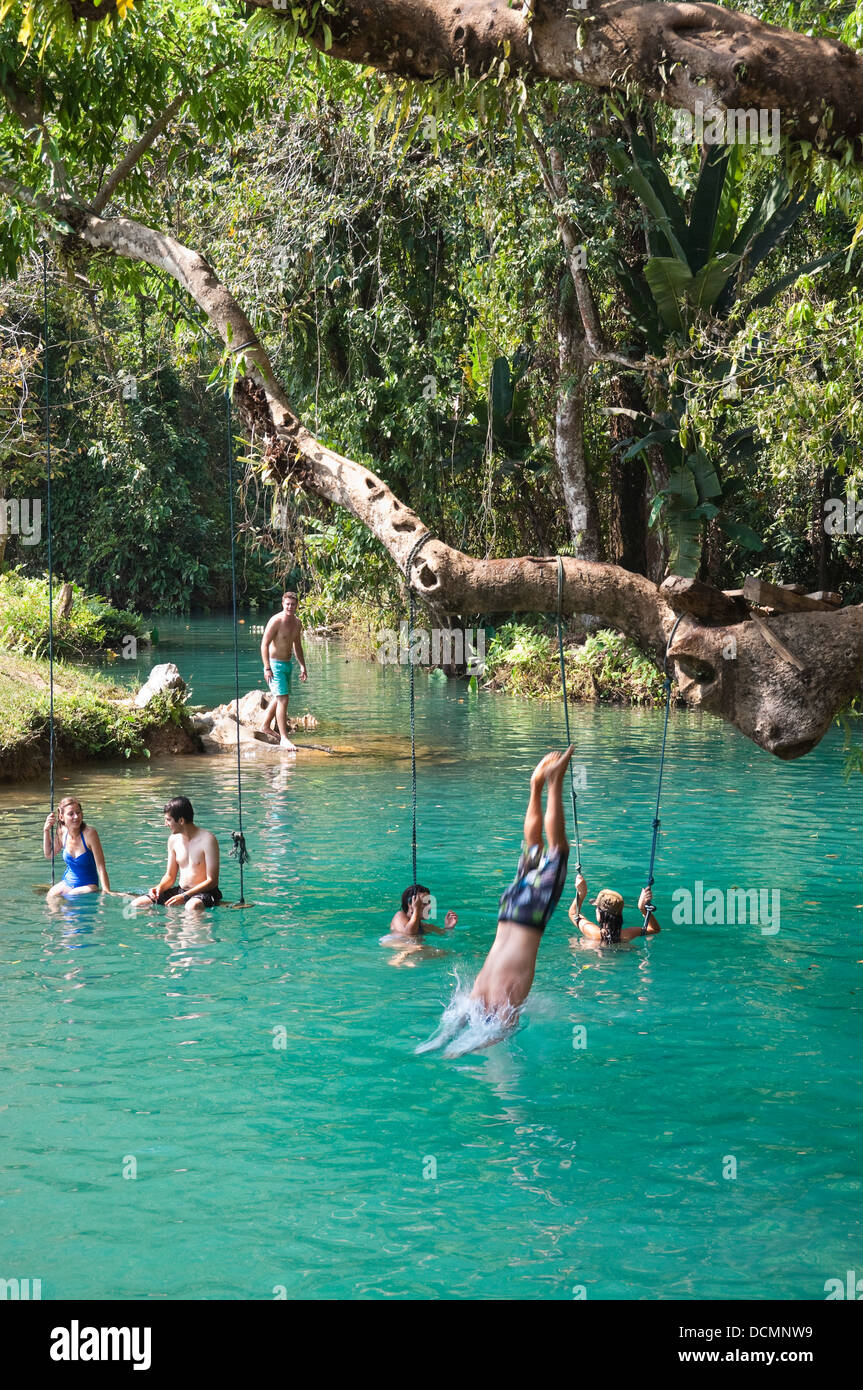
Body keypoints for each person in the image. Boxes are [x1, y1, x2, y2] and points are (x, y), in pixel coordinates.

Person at [470, 747, 574, 1015]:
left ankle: (554, 782)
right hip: (509, 910)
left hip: (528, 914)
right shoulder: (477, 994)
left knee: (558, 849)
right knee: (535, 847)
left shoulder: (497, 1001)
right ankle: (536, 784)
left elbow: (488, 1029)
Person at [130, 797, 222, 911]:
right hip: (181, 891)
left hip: (205, 892)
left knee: (191, 906)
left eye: (168, 820)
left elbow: (212, 881)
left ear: (181, 821)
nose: (165, 824)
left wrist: (185, 896)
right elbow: (170, 876)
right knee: (137, 904)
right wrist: (159, 887)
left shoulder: (208, 840)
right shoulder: (173, 840)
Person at [259, 590, 307, 752]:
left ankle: (265, 726)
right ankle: (284, 739)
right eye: (287, 604)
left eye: (293, 604)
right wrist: (267, 667)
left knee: (279, 697)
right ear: (282, 604)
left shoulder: (297, 622)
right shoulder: (276, 621)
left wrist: (302, 665)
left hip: (287, 664)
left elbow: (297, 645)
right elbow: (264, 645)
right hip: (274, 665)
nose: (290, 607)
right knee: (283, 699)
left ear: (296, 605)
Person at [43, 796, 111, 900]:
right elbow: (49, 854)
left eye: (78, 812)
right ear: (61, 817)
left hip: (89, 886)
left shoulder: (90, 834)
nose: (76, 817)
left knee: (70, 896)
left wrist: (106, 891)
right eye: (71, 814)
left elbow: (101, 868)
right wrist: (46, 831)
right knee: (50, 896)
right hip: (67, 882)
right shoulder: (62, 832)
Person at [568, 873, 660, 943]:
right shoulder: (627, 934)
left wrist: (581, 893)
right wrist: (643, 909)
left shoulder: (592, 932)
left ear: (600, 913)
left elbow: (573, 914)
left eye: (597, 908)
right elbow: (655, 929)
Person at [387, 884, 458, 939]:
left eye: (429, 902)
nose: (429, 906)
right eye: (424, 903)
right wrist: (416, 910)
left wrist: (449, 927)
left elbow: (444, 934)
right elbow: (409, 933)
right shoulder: (399, 915)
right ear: (410, 904)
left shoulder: (422, 926)